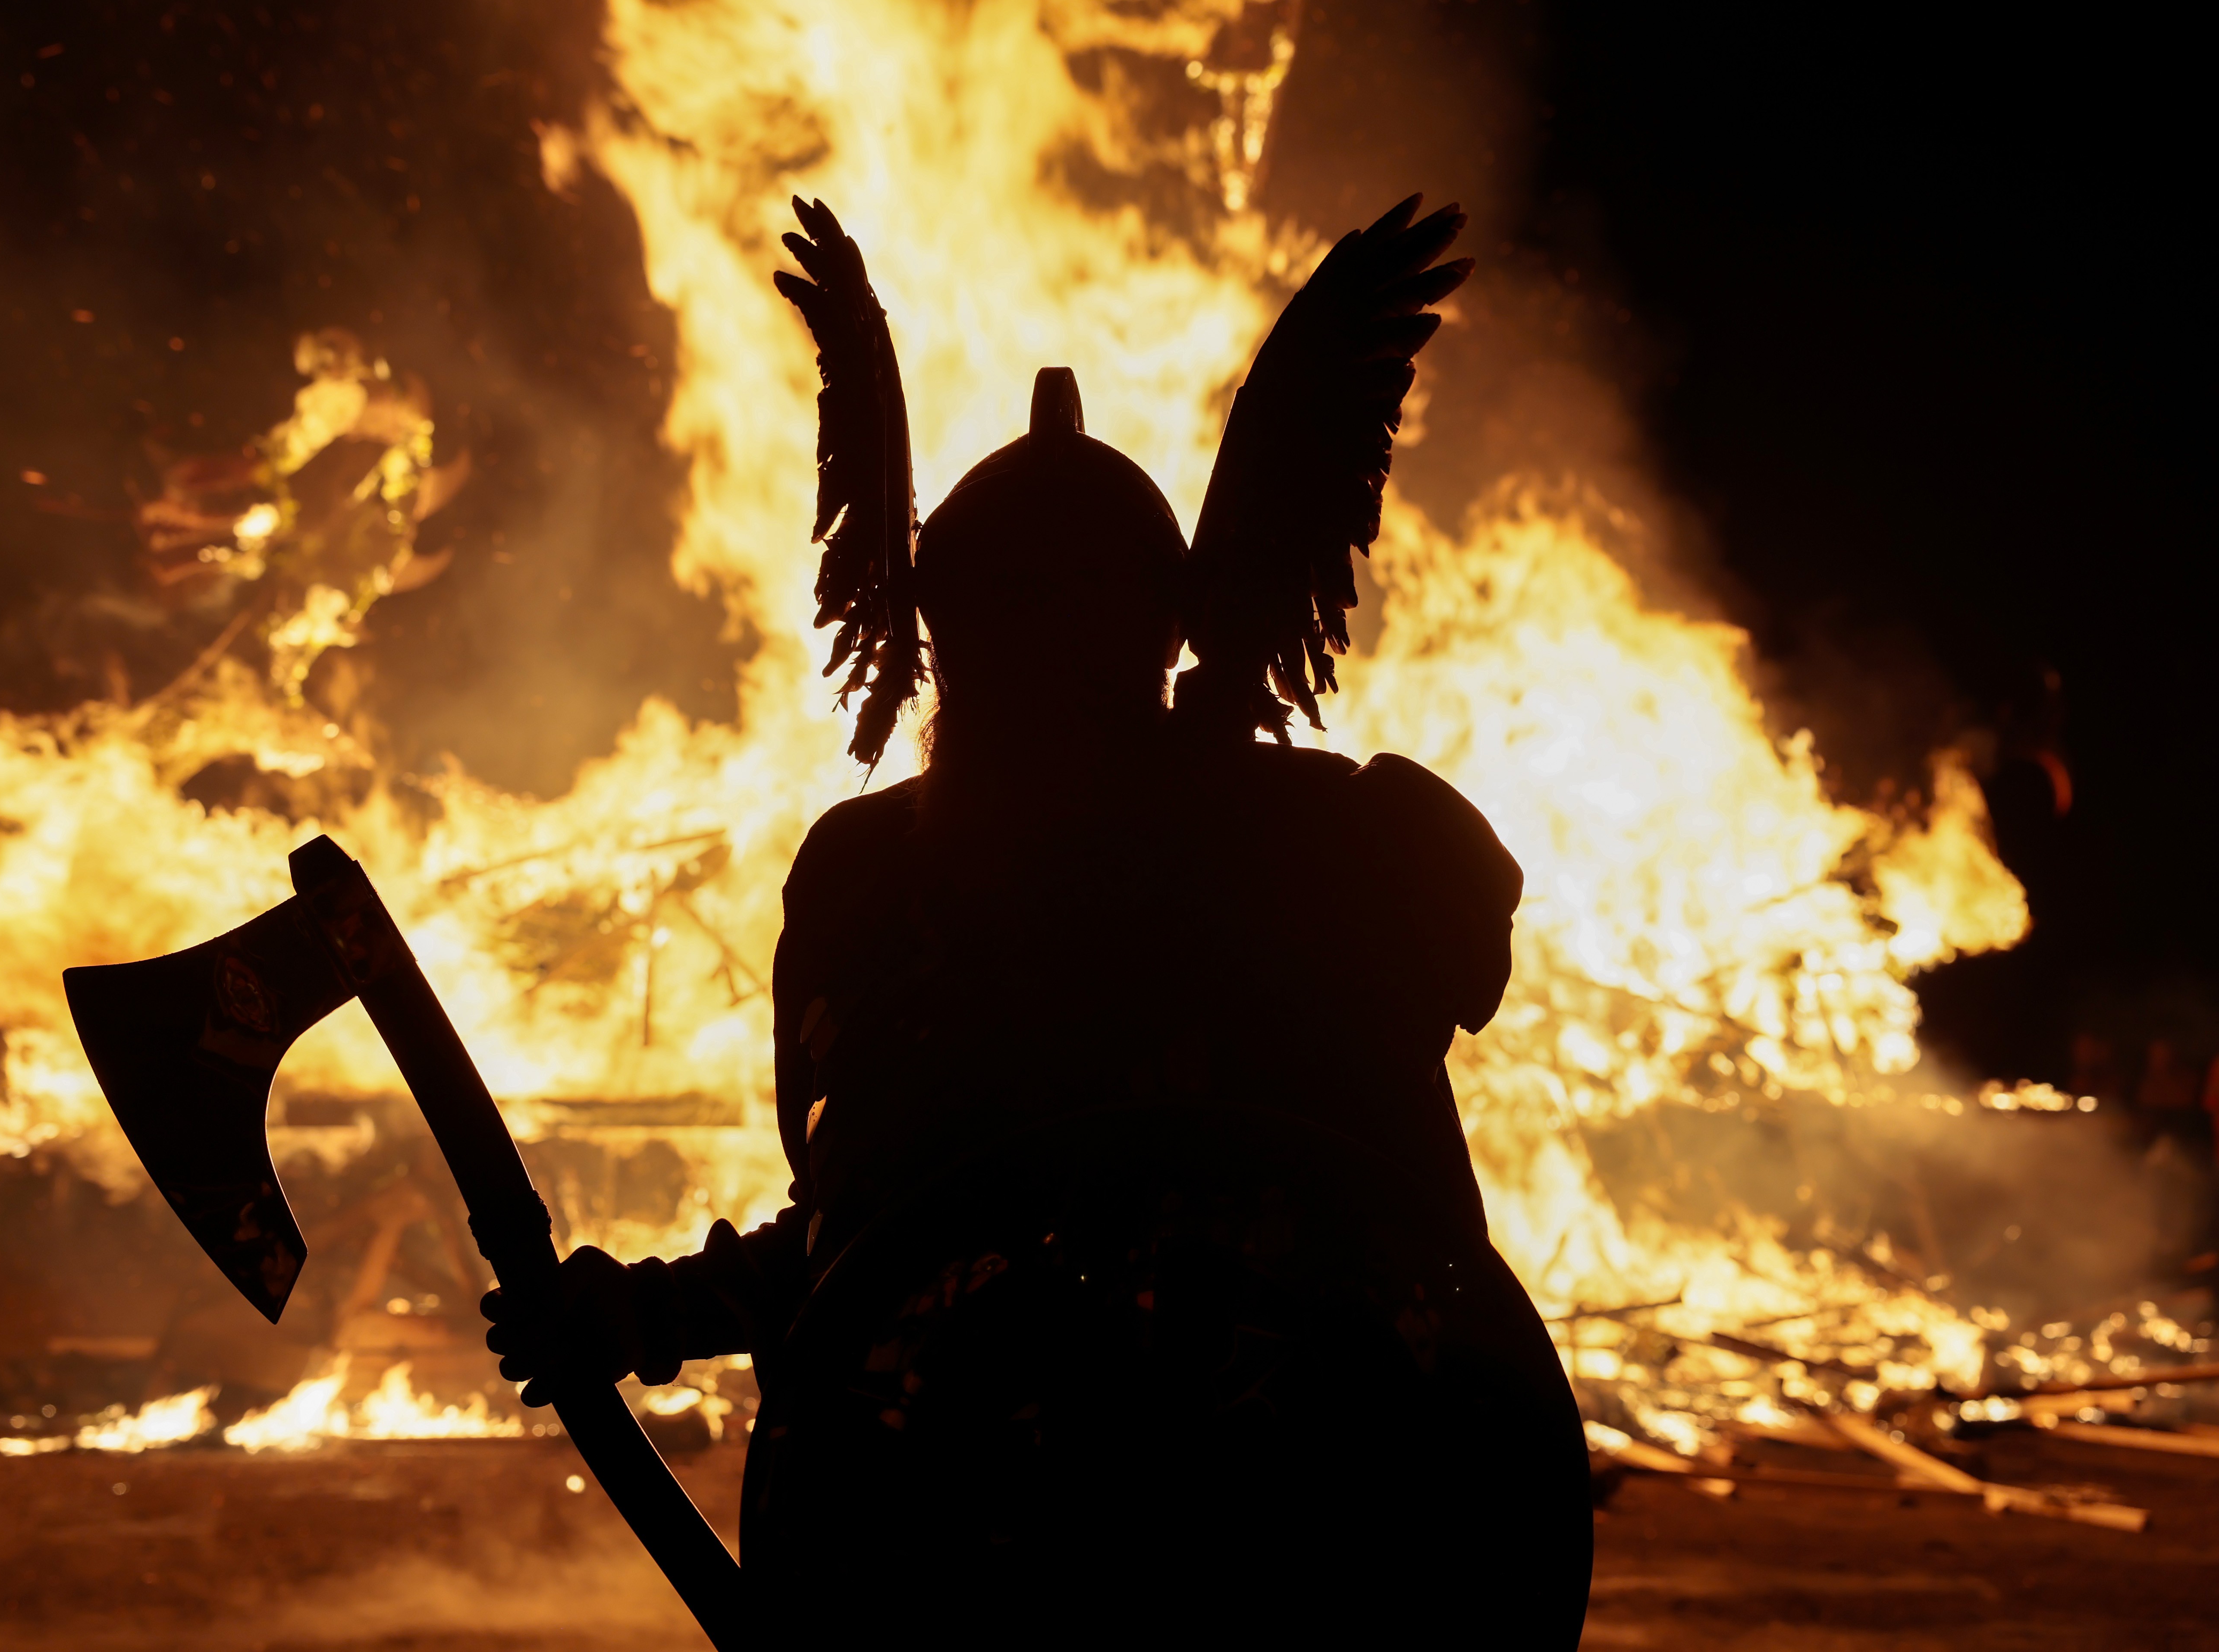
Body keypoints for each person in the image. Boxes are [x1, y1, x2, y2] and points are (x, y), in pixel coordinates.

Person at [484, 199, 1591, 1646]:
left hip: (1319, 1541)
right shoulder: (893, 881)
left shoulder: (1337, 844)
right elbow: (877, 1242)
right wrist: (643, 1317)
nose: (1042, 671)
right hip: (1006, 1563)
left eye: (1069, 622)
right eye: (1019, 624)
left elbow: (1333, 1222)